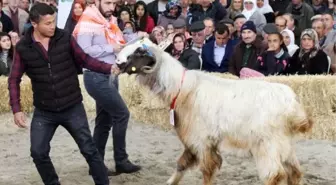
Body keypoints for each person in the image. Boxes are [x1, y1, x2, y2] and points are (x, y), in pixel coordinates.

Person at [8, 3, 111, 185]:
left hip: (72, 106)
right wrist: (16, 109)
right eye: (47, 23)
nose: (53, 26)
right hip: (44, 111)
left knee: (89, 150)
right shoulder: (23, 47)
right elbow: (13, 78)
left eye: (54, 21)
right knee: (38, 153)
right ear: (34, 23)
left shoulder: (64, 37)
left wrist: (110, 68)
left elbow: (85, 60)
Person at [73, 0, 141, 175]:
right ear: (97, 1)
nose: (112, 7)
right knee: (121, 114)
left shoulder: (108, 21)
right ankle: (121, 160)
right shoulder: (87, 21)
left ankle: (97, 165)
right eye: (108, 2)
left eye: (114, 3)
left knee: (104, 121)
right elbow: (84, 50)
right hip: (95, 76)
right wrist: (111, 47)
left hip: (111, 73)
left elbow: (121, 42)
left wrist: (138, 36)